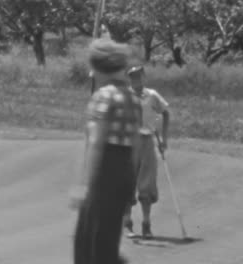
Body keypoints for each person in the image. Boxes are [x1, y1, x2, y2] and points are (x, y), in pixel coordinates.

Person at [69, 38, 142, 264]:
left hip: (103, 172)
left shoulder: (103, 96)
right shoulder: (132, 97)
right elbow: (137, 144)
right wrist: (132, 183)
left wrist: (84, 184)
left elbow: (96, 143)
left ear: (98, 67)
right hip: (124, 171)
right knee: (107, 242)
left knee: (86, 245)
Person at [123, 66, 170, 238]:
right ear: (129, 79)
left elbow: (166, 113)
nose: (136, 81)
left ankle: (146, 223)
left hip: (147, 141)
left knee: (147, 184)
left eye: (139, 77)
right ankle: (127, 222)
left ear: (144, 78)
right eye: (133, 78)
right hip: (128, 142)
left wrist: (164, 139)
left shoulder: (152, 95)